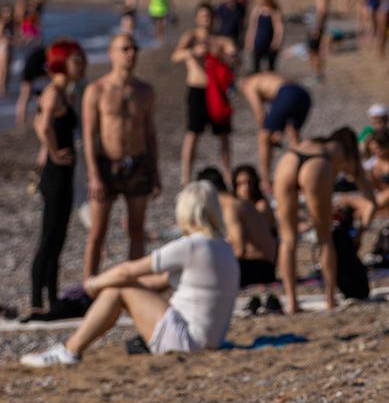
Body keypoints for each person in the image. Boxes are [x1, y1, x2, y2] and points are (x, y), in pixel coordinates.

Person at [19, 182, 239, 367]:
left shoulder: (191, 246)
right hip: (211, 341)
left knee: (119, 288)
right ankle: (70, 348)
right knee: (123, 288)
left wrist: (92, 284)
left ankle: (69, 350)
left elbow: (127, 271)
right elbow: (159, 282)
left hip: (188, 342)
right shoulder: (223, 248)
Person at [82, 33, 161, 281]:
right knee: (98, 231)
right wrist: (94, 174)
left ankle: (134, 285)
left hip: (137, 162)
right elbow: (89, 136)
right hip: (107, 163)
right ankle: (89, 285)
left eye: (134, 48)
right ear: (111, 53)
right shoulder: (97, 90)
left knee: (137, 230)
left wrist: (155, 172)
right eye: (125, 49)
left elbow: (150, 133)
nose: (131, 53)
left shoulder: (144, 91)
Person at [272, 127, 374, 313]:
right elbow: (371, 200)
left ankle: (292, 302)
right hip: (317, 166)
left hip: (290, 158)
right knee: (325, 238)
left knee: (287, 239)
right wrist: (361, 231)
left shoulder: (317, 141)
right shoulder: (345, 154)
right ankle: (330, 299)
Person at [24, 40, 86, 321]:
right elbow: (43, 123)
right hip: (55, 173)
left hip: (64, 172)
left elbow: (41, 122)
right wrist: (52, 152)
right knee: (49, 236)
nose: (82, 65)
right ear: (63, 62)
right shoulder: (52, 93)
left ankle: (52, 298)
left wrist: (48, 148)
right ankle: (37, 302)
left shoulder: (64, 93)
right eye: (76, 60)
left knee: (59, 236)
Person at [173, 3, 238, 185]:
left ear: (214, 18)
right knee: (193, 134)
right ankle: (185, 177)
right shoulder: (191, 38)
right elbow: (175, 56)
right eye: (202, 15)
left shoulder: (222, 40)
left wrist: (221, 56)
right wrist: (192, 52)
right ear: (196, 18)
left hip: (217, 92)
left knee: (224, 135)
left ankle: (227, 174)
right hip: (197, 90)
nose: (205, 19)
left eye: (208, 15)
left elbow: (235, 59)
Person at [196, 167, 279, 289]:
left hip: (260, 268)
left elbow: (239, 249)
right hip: (266, 264)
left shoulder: (231, 207)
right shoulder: (237, 203)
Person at [238, 71, 313, 191]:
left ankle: (265, 181)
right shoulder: (265, 76)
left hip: (287, 93)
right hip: (303, 93)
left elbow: (260, 114)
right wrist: (277, 132)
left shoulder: (249, 84)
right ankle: (300, 177)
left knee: (263, 138)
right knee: (294, 135)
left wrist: (267, 132)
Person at [245, 0, 284, 73]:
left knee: (271, 67)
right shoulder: (256, 11)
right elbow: (252, 27)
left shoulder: (274, 11)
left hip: (269, 40)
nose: (260, 0)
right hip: (259, 40)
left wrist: (276, 41)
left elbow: (278, 29)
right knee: (256, 66)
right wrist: (249, 40)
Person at [306, 0, 330, 79]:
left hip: (316, 28)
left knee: (315, 51)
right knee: (312, 51)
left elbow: (321, 14)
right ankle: (315, 72)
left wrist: (317, 28)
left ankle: (317, 73)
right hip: (312, 27)